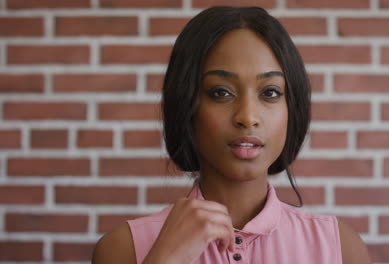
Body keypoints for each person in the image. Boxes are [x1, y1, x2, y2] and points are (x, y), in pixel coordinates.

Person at [92, 6, 370, 264]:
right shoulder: (123, 249)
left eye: (270, 92)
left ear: (292, 108)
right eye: (221, 92)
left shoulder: (341, 248)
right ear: (186, 104)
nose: (248, 117)